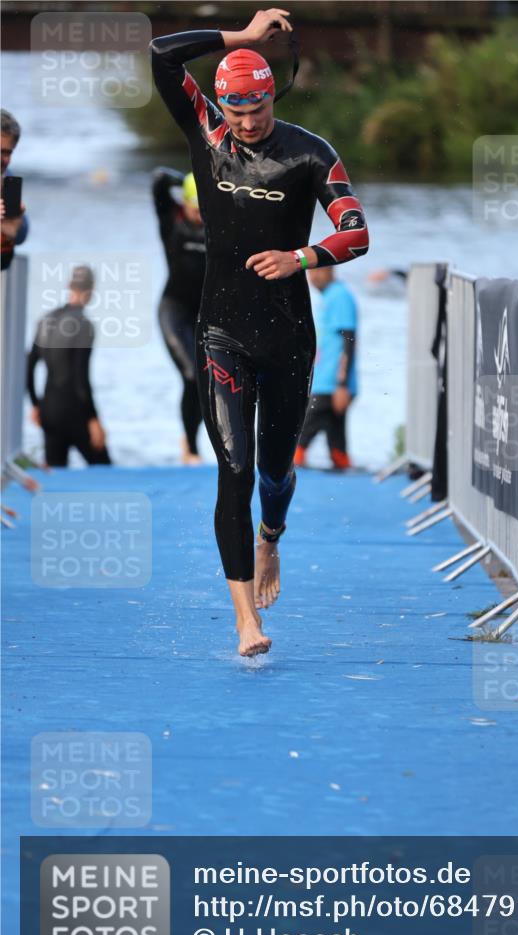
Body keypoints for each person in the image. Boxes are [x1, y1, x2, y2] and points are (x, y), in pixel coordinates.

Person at [150, 7, 369, 657]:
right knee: (234, 468)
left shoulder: (308, 153)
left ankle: (269, 536)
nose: (246, 123)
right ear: (220, 104)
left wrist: (300, 257)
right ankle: (245, 621)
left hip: (287, 337)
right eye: (235, 111)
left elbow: (355, 231)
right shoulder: (206, 134)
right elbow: (162, 53)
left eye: (256, 109)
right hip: (220, 332)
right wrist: (243, 37)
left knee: (275, 473)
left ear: (272, 95)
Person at [27, 266, 112, 468]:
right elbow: (81, 378)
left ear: (69, 286)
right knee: (105, 472)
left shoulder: (46, 320)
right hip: (75, 412)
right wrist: (93, 419)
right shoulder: (84, 325)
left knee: (56, 476)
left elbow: (29, 366)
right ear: (91, 291)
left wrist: (35, 405)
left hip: (49, 410)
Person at [152, 167, 206, 464]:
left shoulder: (217, 224)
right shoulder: (170, 221)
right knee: (191, 376)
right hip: (173, 309)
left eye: (203, 209)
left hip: (204, 315)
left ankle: (192, 438)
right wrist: (192, 173)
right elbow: (158, 180)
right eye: (194, 208)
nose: (199, 215)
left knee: (208, 381)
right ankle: (191, 448)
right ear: (184, 203)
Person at [295, 267, 358, 470]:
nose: (314, 276)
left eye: (319, 270)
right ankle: (343, 468)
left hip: (332, 385)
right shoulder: (329, 296)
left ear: (331, 269)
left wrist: (342, 383)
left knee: (300, 436)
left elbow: (349, 341)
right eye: (311, 272)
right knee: (336, 439)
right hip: (325, 381)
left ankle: (285, 476)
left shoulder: (340, 296)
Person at [1, 108, 29, 271]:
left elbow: (22, 233)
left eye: (7, 153)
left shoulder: (6, 177)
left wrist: (13, 230)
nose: (1, 160)